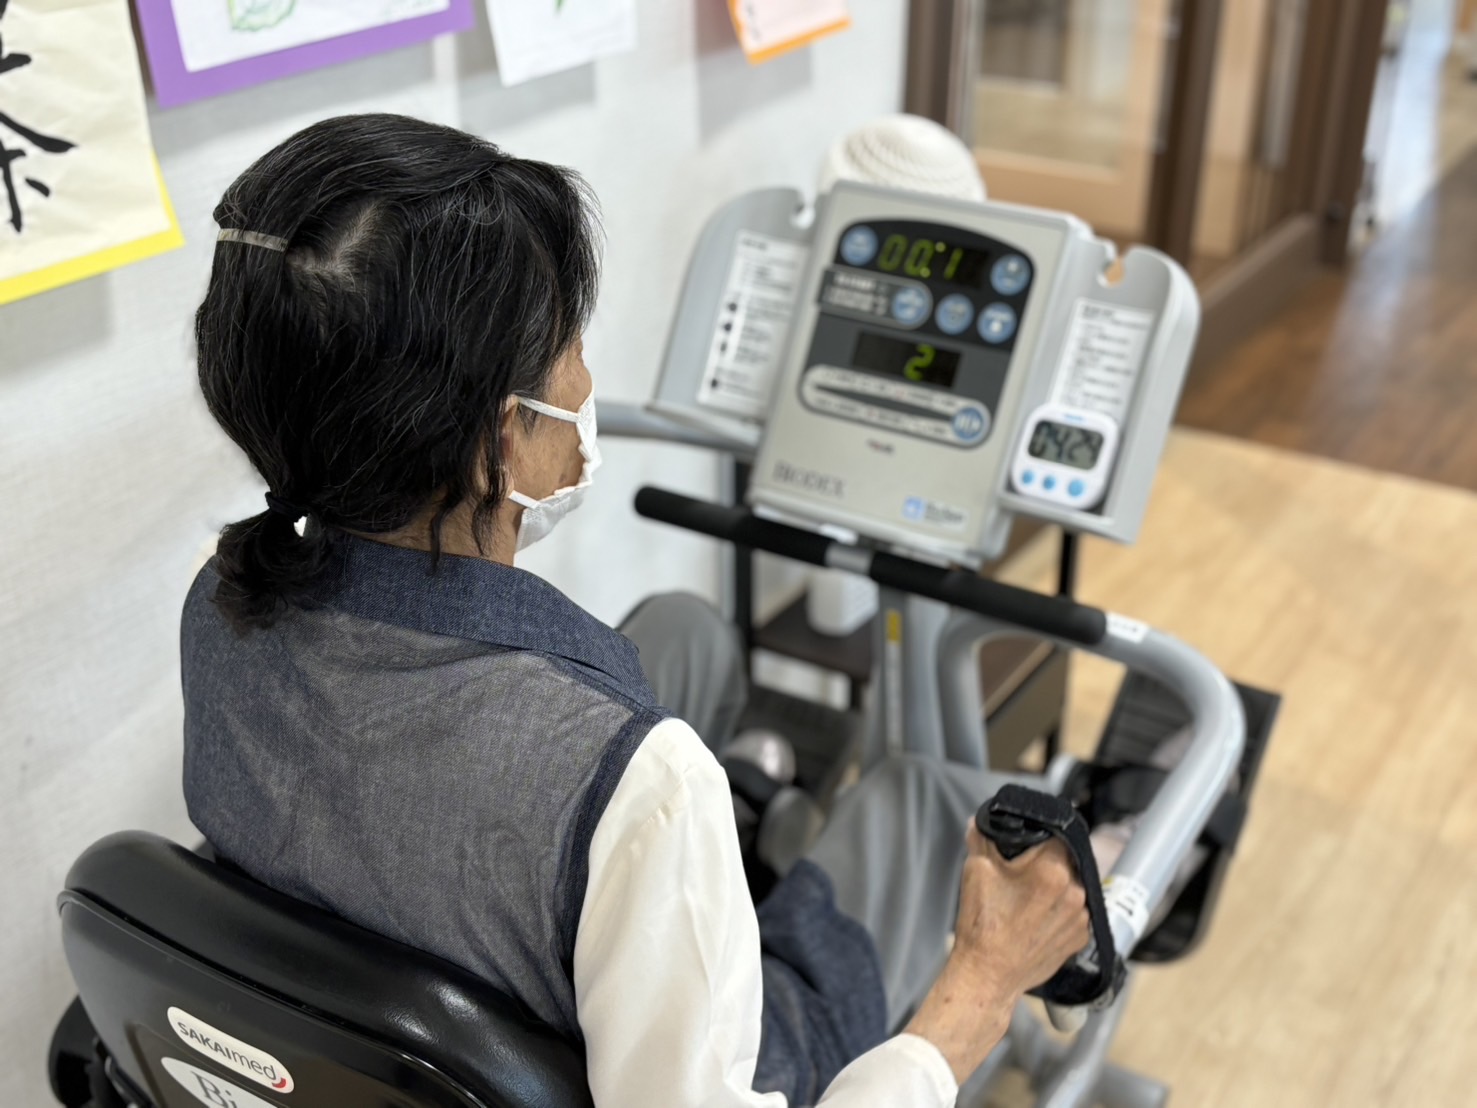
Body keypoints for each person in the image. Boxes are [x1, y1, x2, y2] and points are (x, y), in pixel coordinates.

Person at [182, 113, 1089, 1107]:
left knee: (684, 631)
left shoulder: (217, 604)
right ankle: (752, 834)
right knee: (913, 795)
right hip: (668, 1059)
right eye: (569, 345)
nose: (584, 378)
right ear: (499, 441)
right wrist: (982, 985)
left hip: (399, 1000)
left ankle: (739, 809)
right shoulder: (650, 782)